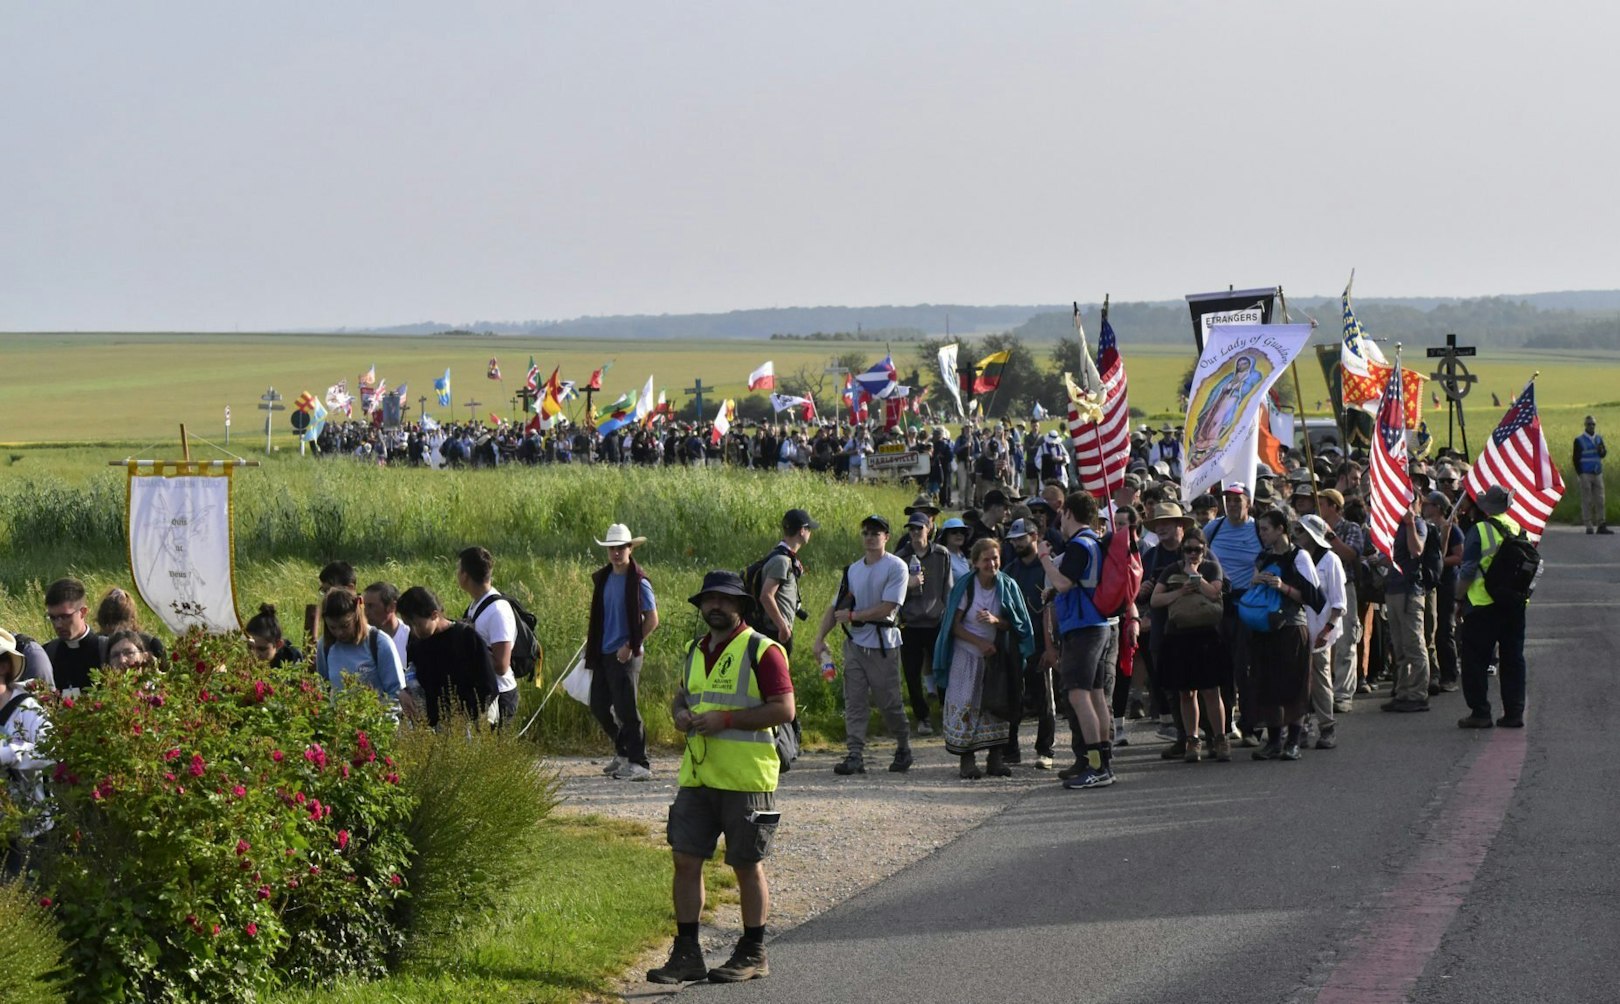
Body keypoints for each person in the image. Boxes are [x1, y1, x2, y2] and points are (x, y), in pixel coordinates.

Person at [646, 571, 795, 986]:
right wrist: (679, 715)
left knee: (747, 866)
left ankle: (753, 951)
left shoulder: (762, 650)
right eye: (709, 600)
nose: (716, 606)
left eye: (725, 600)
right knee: (685, 860)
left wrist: (726, 719)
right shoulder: (696, 650)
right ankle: (688, 953)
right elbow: (683, 696)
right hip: (697, 776)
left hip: (746, 778)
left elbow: (785, 709)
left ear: (741, 606)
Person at [812, 514, 913, 776]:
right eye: (866, 532)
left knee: (889, 703)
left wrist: (855, 616)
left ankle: (903, 746)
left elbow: (889, 607)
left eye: (876, 533)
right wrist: (819, 638)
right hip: (855, 644)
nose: (870, 537)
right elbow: (835, 607)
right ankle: (854, 754)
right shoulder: (852, 570)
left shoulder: (897, 567)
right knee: (854, 701)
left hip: (884, 646)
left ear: (886, 537)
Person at [932, 537, 1036, 778]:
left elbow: (1016, 623)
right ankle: (967, 761)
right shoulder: (967, 587)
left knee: (996, 705)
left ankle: (995, 759)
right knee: (966, 705)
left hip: (995, 659)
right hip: (966, 656)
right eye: (986, 559)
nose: (992, 563)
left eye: (995, 558)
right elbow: (953, 626)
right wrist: (979, 642)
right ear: (976, 562)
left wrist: (995, 621)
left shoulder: (1007, 586)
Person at [1038, 491, 1119, 790]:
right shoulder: (1093, 542)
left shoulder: (1079, 546)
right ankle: (1102, 764)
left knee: (1078, 694)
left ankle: (1097, 766)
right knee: (1095, 694)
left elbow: (1062, 582)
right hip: (1097, 624)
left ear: (1069, 513)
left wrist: (1045, 558)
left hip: (1084, 627)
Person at [1246, 510, 1325, 761]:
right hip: (1266, 627)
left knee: (1293, 685)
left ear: (1281, 529)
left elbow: (1315, 598)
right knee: (1268, 685)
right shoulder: (1263, 557)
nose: (1262, 534)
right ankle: (1273, 741)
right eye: (1260, 529)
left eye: (1266, 529)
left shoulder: (1299, 557)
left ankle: (1293, 741)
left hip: (1291, 628)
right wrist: (1256, 581)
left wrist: (1284, 587)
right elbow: (1252, 589)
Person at [586, 524, 660, 781]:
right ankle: (624, 751)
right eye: (612, 548)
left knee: (627, 709)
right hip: (604, 651)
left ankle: (640, 763)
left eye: (621, 548)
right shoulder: (604, 578)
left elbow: (652, 619)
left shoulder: (639, 581)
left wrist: (630, 644)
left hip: (628, 654)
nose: (616, 553)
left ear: (630, 549)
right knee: (598, 705)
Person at [1149, 526, 1229, 762]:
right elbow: (1155, 600)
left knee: (1212, 691)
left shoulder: (1212, 567)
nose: (1192, 554)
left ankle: (1220, 738)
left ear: (1205, 550)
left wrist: (1196, 575)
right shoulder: (1171, 571)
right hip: (1179, 635)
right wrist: (1180, 591)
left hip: (1207, 635)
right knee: (1186, 692)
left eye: (1197, 549)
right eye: (1188, 550)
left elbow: (1215, 593)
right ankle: (1192, 740)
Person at [1456, 487, 1530, 728]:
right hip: (1514, 604)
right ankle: (1514, 712)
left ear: (1486, 507)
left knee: (1475, 660)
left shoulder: (1480, 530)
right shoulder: (1518, 528)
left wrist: (1458, 597)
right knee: (1513, 659)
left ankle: (1480, 712)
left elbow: (1467, 570)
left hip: (1483, 605)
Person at [1204, 485, 1264, 743]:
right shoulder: (1213, 528)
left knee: (1246, 667)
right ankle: (1225, 724)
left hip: (1247, 605)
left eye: (1237, 500)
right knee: (1221, 667)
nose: (1232, 505)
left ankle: (1250, 725)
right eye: (1228, 500)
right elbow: (1200, 556)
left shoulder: (1258, 529)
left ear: (1248, 503)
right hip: (1218, 604)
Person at [396, 586, 500, 729]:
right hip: (436, 728)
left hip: (470, 726)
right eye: (409, 626)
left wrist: (465, 718)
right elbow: (417, 681)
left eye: (418, 624)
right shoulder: (417, 644)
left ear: (434, 615)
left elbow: (489, 687)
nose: (414, 631)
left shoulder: (465, 637)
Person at [1000, 518, 1056, 768]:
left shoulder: (1048, 567)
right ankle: (1011, 750)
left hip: (1042, 643)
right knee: (1013, 697)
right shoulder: (1009, 570)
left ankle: (1045, 751)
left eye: (1021, 538)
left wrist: (1052, 646)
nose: (1017, 543)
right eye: (1013, 540)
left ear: (1035, 536)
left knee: (1044, 699)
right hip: (1015, 643)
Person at [894, 511, 952, 736]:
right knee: (912, 673)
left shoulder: (941, 554)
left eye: (919, 528)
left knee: (941, 670)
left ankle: (947, 713)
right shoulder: (900, 558)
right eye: (912, 529)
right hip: (910, 623)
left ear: (928, 529)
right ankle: (923, 717)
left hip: (936, 621)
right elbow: (893, 592)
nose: (916, 533)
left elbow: (948, 588)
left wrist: (947, 617)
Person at [0, 632, 53, 876]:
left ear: (4, 666)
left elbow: (53, 751)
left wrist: (11, 753)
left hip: (27, 830)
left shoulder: (26, 707)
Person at [1294, 515, 1347, 750]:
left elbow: (1338, 602)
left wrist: (1327, 630)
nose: (1297, 536)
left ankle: (1327, 727)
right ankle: (1301, 727)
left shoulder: (1330, 560)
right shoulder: (1296, 559)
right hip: (1299, 628)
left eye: (1302, 532)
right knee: (1298, 679)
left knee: (1320, 678)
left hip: (1321, 629)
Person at [1380, 495, 1434, 713]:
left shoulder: (1418, 523)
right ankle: (1403, 691)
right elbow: (1392, 556)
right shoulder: (1394, 526)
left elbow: (1416, 550)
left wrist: (1410, 522)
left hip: (1410, 590)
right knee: (1399, 645)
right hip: (1393, 588)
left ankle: (1418, 693)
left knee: (1414, 644)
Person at [457, 546, 521, 727]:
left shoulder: (498, 611)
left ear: (465, 575)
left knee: (496, 753)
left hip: (499, 696)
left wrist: (470, 645)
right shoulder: (477, 604)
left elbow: (501, 665)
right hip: (481, 693)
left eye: (458, 569)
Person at [315, 589, 405, 705]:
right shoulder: (325, 646)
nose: (339, 633)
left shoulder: (379, 643)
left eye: (345, 626)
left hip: (377, 720)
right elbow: (324, 689)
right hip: (340, 720)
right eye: (333, 627)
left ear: (356, 617)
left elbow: (397, 693)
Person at [1317, 489, 1364, 712]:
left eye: (1323, 503)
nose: (1319, 507)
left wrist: (1329, 536)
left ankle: (1343, 694)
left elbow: (1350, 554)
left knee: (1346, 642)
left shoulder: (1350, 528)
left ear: (1335, 506)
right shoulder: (1313, 527)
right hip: (1319, 590)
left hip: (1344, 588)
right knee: (1322, 641)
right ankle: (1323, 694)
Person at [756, 510, 818, 656]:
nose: (810, 533)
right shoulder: (782, 561)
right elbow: (766, 596)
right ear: (802, 531)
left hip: (775, 631)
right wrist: (782, 627)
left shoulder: (784, 557)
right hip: (774, 632)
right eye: (809, 529)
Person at [1422, 491, 1464, 694]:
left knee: (1445, 629)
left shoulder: (1451, 529)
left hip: (1446, 584)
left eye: (1428, 504)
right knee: (1430, 630)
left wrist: (1435, 563)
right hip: (1430, 585)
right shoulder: (1428, 529)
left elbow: (1459, 556)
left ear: (1438, 507)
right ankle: (1432, 673)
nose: (1424, 507)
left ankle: (1449, 674)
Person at [364, 582, 422, 719]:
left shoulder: (411, 637)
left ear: (391, 606)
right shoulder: (365, 641)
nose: (366, 612)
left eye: (371, 606)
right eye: (364, 606)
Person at [42, 578, 106, 695]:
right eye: (53, 618)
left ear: (83, 612)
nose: (58, 624)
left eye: (65, 617)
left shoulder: (106, 650)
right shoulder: (47, 653)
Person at [94, 588, 167, 666]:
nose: (122, 660)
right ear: (132, 619)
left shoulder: (94, 645)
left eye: (129, 653)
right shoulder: (152, 643)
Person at [1575, 415, 1609, 534]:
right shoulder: (1579, 440)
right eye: (1589, 424)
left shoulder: (1599, 439)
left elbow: (1603, 454)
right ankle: (1588, 525)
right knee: (1587, 500)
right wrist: (1580, 474)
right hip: (1585, 473)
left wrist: (1602, 450)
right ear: (1585, 425)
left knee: (1600, 500)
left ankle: (1601, 524)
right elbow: (1576, 458)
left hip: (1597, 472)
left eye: (1593, 424)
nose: (1591, 426)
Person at [245, 604, 307, 669]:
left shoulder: (291, 658)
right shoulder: (241, 656)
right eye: (250, 647)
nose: (254, 654)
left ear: (278, 645)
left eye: (262, 649)